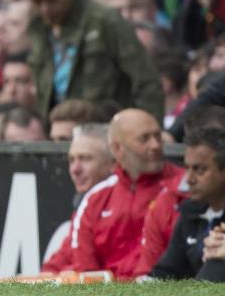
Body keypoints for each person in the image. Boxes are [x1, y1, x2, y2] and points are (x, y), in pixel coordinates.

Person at [20, 0, 163, 122]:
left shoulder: (104, 21)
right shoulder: (37, 29)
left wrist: (148, 130)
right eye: (37, 1)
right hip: (56, 133)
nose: (46, 9)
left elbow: (146, 82)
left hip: (103, 132)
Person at [69, 109, 184, 278]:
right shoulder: (96, 198)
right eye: (144, 139)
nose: (155, 145)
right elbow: (85, 270)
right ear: (117, 148)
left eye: (158, 136)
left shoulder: (184, 189)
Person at [149, 127, 225, 282]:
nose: (189, 179)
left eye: (200, 170)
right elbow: (166, 272)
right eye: (187, 168)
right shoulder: (190, 212)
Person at [42, 123, 114, 272]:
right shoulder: (85, 206)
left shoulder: (123, 204)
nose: (75, 169)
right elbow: (56, 264)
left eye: (86, 158)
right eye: (71, 160)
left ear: (113, 163)